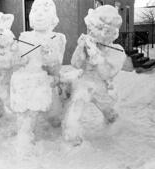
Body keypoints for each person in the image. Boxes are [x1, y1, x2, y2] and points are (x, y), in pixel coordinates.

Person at [62, 5, 126, 146]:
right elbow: (75, 64)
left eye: (95, 29)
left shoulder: (117, 51)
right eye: (90, 28)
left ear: (109, 32)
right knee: (77, 104)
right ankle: (72, 136)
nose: (91, 32)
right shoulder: (87, 44)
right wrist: (80, 48)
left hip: (102, 86)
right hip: (84, 82)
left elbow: (107, 74)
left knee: (109, 113)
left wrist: (96, 56)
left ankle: (114, 126)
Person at [10, 0, 66, 154]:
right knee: (25, 89)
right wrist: (15, 53)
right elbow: (17, 63)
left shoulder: (58, 38)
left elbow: (55, 68)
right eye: (35, 10)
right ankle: (25, 131)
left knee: (54, 117)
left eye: (44, 11)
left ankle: (28, 127)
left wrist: (49, 57)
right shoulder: (24, 37)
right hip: (28, 80)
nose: (39, 14)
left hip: (47, 80)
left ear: (53, 17)